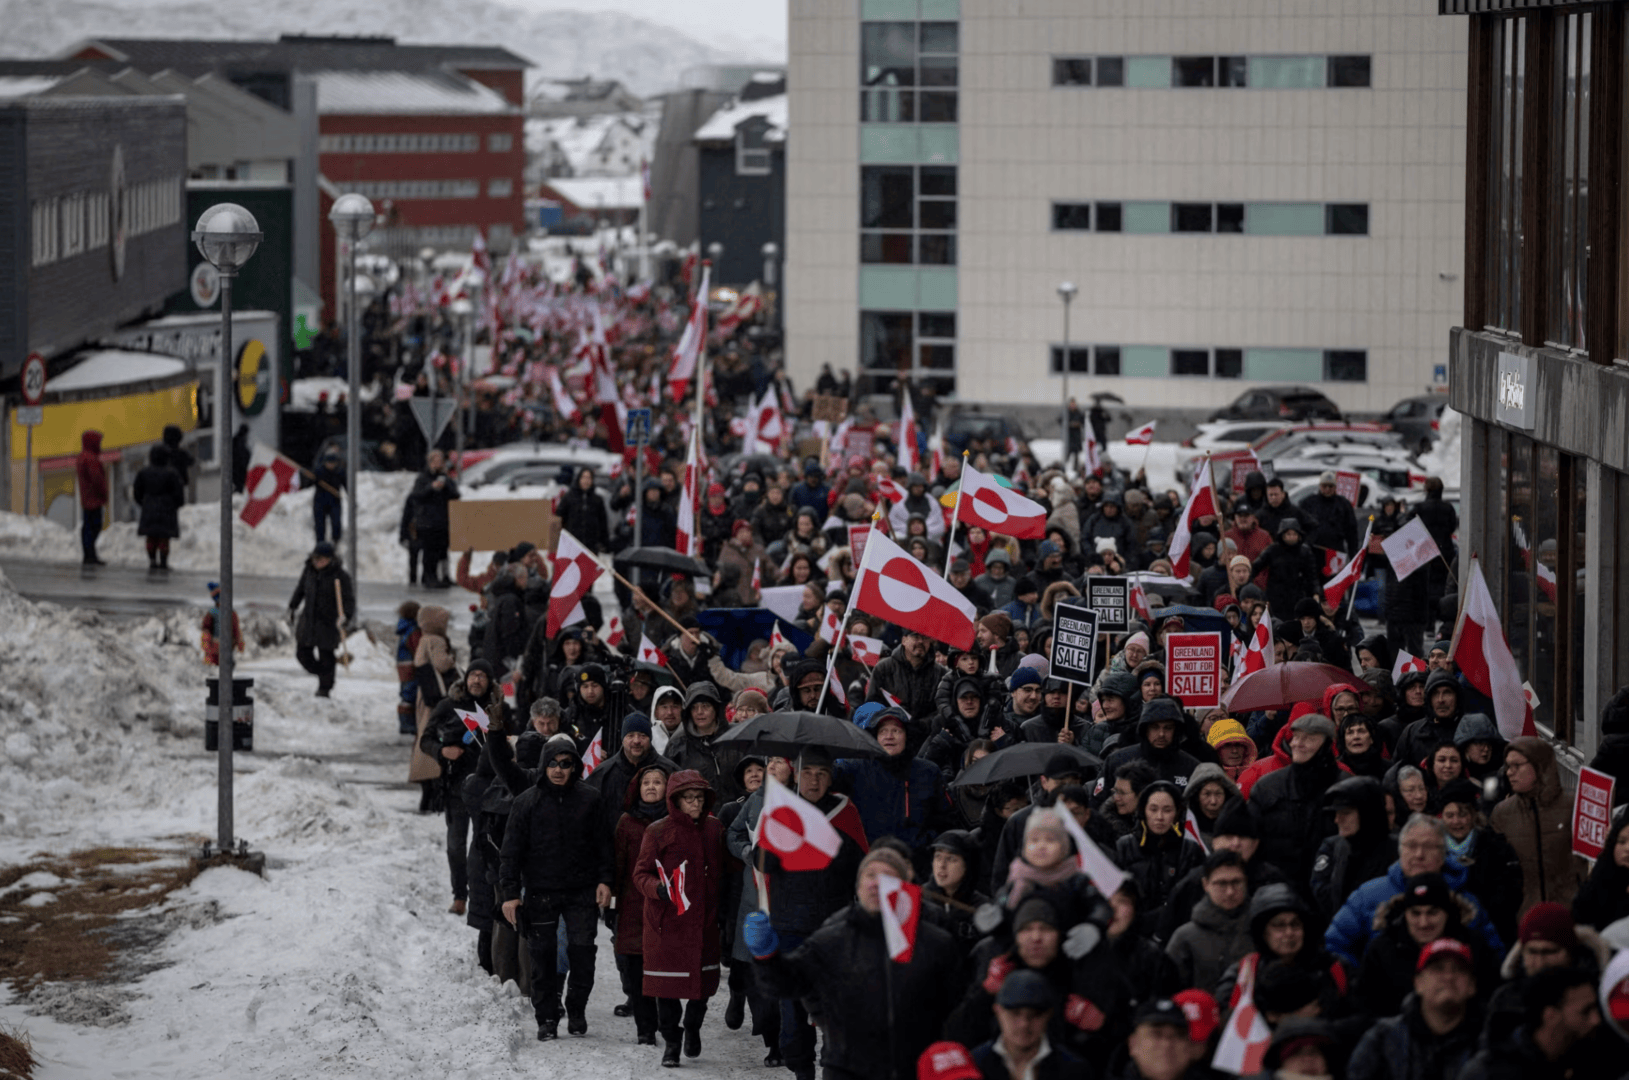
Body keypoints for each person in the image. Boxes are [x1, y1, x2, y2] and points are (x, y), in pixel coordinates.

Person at [744, 848, 964, 1080]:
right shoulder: (833, 937)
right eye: (870, 875)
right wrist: (766, 956)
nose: (877, 883)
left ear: (904, 886)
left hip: (912, 1069)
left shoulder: (936, 943)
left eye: (887, 876)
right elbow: (787, 983)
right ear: (858, 885)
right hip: (846, 1068)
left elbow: (956, 1011)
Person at [499, 732, 614, 1042]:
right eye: (552, 763)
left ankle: (576, 1010)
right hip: (540, 892)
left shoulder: (590, 799)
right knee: (543, 958)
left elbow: (605, 846)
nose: (559, 770)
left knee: (583, 954)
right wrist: (510, 895)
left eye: (565, 763)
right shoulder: (526, 802)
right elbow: (510, 853)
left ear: (574, 766)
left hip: (581, 892)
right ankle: (547, 1018)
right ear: (543, 765)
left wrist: (605, 881)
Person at [1325, 813, 1503, 968]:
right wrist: (1360, 980)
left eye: (1428, 847)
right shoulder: (1367, 895)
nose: (1419, 854)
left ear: (1443, 853)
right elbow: (1334, 944)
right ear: (1400, 850)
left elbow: (1493, 956)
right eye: (1411, 846)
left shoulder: (1465, 902)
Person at [633, 770, 725, 1066]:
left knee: (702, 983)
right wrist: (657, 889)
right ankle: (671, 1042)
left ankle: (693, 1027)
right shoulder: (657, 831)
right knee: (667, 989)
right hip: (667, 921)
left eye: (700, 797)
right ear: (675, 801)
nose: (695, 803)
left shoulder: (714, 829)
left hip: (704, 920)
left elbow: (726, 868)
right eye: (689, 798)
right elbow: (641, 873)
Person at [421, 658, 505, 914]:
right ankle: (460, 895)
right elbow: (426, 739)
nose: (476, 680)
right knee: (455, 845)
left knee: (483, 844)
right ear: (465, 678)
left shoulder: (497, 708)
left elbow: (511, 739)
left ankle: (486, 896)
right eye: (473, 675)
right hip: (455, 786)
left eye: (482, 675)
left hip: (488, 787)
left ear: (489, 681)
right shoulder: (448, 705)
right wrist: (442, 751)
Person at [1347, 938, 1482, 1080]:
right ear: (1418, 983)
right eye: (1438, 968)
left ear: (1472, 986)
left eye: (1459, 969)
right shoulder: (1381, 1039)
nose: (1449, 977)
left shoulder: (1488, 1042)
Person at [1491, 737, 1583, 919]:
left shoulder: (1574, 806)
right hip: (1524, 918)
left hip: (1571, 916)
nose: (1509, 772)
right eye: (1508, 766)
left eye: (1517, 766)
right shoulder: (1502, 813)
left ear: (1540, 766)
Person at [1457, 966, 1601, 1080]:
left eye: (1596, 1009)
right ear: (1550, 1015)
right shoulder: (1489, 1072)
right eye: (1585, 1012)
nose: (1596, 1020)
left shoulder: (1594, 1059)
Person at [1249, 713, 1344, 886]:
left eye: (1309, 738)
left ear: (1327, 743)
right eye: (1296, 737)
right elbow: (1249, 838)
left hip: (1332, 883)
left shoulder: (1346, 787)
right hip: (1277, 885)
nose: (1298, 743)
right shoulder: (1267, 787)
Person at [611, 763, 669, 1045]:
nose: (651, 787)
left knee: (664, 966)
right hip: (632, 904)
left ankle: (666, 1023)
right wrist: (612, 904)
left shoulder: (676, 821)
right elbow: (617, 865)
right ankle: (645, 1028)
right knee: (635, 967)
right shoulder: (627, 822)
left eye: (657, 782)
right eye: (646, 782)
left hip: (667, 904)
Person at [968, 969, 1087, 1080]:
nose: (1024, 1024)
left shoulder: (1074, 1070)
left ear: (1048, 1015)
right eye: (1015, 1013)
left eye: (1035, 1015)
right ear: (998, 1011)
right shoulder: (973, 1064)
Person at [1164, 850, 1253, 995]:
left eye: (1236, 882)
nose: (1230, 891)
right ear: (1206, 884)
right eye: (1221, 884)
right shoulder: (1185, 937)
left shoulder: (1261, 929)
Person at [287, 541, 356, 698]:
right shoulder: (309, 571)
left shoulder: (340, 576)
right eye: (315, 559)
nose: (317, 562)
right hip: (309, 620)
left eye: (321, 559)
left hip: (328, 623)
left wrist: (345, 617)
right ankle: (323, 673)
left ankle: (325, 689)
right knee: (302, 653)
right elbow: (300, 589)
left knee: (326, 655)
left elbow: (349, 600)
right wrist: (292, 606)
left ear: (330, 559)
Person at [411, 449, 459, 588]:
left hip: (442, 522)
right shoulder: (423, 478)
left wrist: (446, 486)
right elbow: (417, 496)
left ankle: (443, 576)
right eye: (435, 461)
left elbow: (455, 495)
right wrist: (431, 488)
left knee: (442, 550)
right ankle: (429, 576)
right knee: (429, 551)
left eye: (440, 461)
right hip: (427, 523)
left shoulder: (446, 478)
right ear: (430, 462)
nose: (438, 464)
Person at [132, 444, 184, 570]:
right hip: (167, 509)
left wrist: (144, 503)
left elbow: (137, 492)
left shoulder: (144, 473)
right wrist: (175, 505)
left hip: (149, 508)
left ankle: (152, 560)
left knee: (151, 537)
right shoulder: (172, 473)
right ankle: (163, 562)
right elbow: (178, 493)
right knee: (164, 538)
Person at [75, 430, 108, 565]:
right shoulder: (91, 459)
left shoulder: (82, 457)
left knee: (88, 526)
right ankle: (90, 555)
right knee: (94, 526)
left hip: (87, 498)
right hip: (94, 498)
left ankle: (89, 554)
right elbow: (97, 479)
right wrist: (104, 493)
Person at [311, 444, 345, 544]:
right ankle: (320, 543)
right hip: (320, 500)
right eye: (329, 463)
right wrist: (314, 479)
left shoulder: (340, 472)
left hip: (334, 500)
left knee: (336, 522)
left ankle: (336, 541)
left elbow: (346, 484)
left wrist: (351, 496)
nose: (330, 465)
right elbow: (310, 482)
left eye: (332, 463)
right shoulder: (319, 471)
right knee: (320, 524)